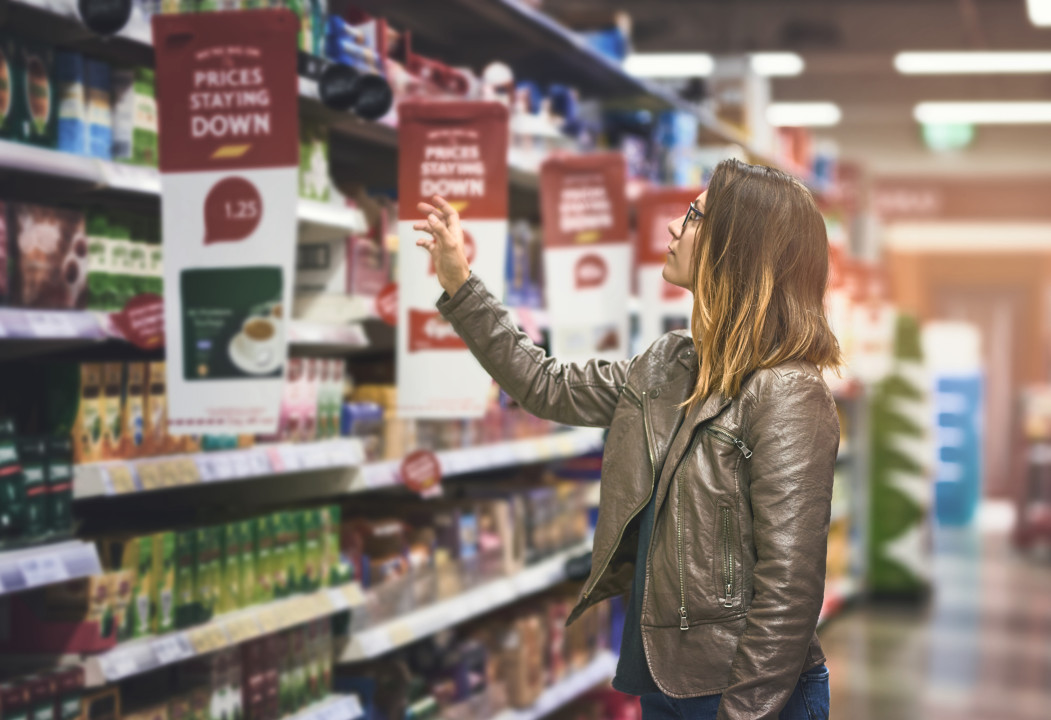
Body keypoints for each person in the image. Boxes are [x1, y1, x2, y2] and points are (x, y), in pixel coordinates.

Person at [414, 158, 841, 720]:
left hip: (743, 689)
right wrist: (460, 285)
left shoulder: (787, 392)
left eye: (694, 216)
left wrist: (742, 711)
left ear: (737, 246)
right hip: (662, 674)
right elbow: (546, 386)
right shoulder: (669, 368)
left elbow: (790, 590)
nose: (673, 228)